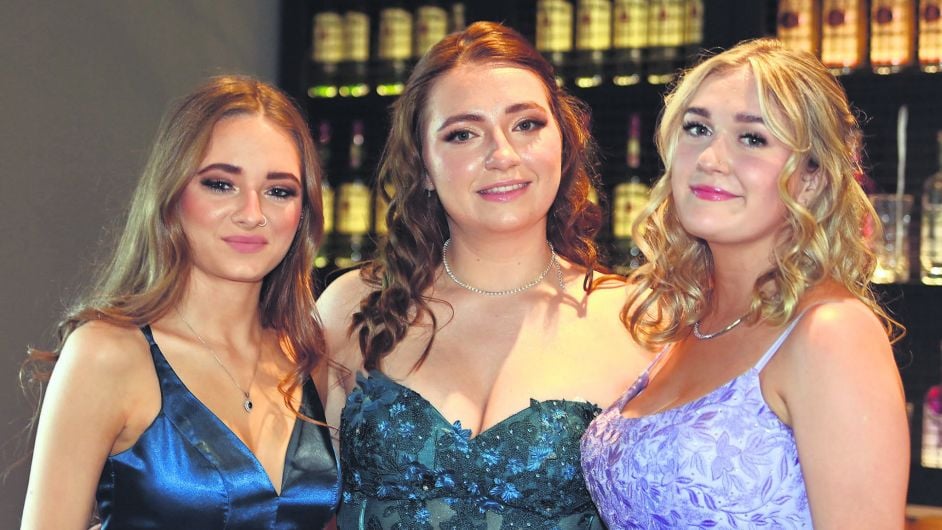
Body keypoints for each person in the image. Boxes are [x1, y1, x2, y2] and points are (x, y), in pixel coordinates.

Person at [316, 21, 652, 529]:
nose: (502, 155)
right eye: (463, 134)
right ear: (423, 166)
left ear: (564, 143)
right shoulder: (354, 306)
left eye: (527, 125)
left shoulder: (637, 321)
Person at [580, 38, 910, 529]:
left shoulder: (830, 333)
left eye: (752, 138)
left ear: (812, 177)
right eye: (697, 128)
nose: (711, 157)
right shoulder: (681, 324)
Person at [20, 76, 340, 529]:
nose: (252, 213)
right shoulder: (107, 354)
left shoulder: (307, 358)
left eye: (279, 191)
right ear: (171, 196)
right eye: (220, 184)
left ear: (303, 213)